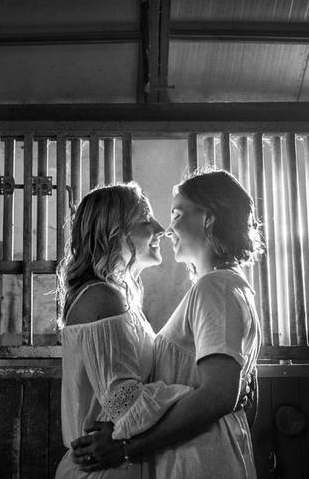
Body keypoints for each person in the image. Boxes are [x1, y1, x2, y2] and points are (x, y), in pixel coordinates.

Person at [72, 170, 263, 478]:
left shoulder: (216, 288)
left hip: (198, 459)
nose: (167, 228)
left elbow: (219, 395)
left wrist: (126, 448)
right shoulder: (228, 287)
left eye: (176, 214)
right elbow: (242, 397)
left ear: (208, 219)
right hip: (200, 453)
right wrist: (228, 395)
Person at [56, 183, 194, 479]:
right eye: (146, 219)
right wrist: (199, 394)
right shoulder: (102, 298)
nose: (159, 229)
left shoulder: (113, 296)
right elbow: (125, 401)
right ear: (114, 232)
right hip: (102, 469)